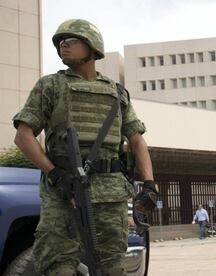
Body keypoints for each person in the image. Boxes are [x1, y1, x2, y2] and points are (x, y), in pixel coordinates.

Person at [13, 19, 158, 276]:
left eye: (71, 41)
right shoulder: (50, 86)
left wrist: (149, 184)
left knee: (113, 266)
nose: (63, 46)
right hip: (64, 191)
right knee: (58, 265)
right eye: (60, 43)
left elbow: (136, 139)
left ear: (92, 47)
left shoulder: (117, 93)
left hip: (110, 192)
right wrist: (55, 174)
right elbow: (24, 136)